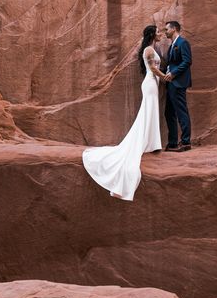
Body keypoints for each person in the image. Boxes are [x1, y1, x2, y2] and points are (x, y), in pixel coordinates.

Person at [82, 25, 165, 201]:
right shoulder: (149, 49)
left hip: (153, 84)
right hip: (150, 84)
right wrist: (165, 76)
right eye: (157, 32)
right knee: (147, 112)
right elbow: (152, 69)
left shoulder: (152, 48)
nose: (160, 34)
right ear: (152, 34)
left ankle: (150, 142)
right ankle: (147, 142)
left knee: (150, 112)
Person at [163, 20, 192, 152]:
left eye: (166, 29)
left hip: (178, 82)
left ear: (174, 29)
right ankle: (173, 142)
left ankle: (185, 142)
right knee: (169, 112)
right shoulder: (172, 45)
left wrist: (173, 73)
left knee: (181, 112)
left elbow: (187, 61)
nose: (165, 32)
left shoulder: (182, 43)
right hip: (170, 84)